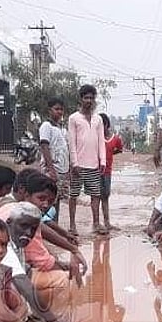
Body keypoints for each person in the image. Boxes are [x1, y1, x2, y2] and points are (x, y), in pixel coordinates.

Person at [0, 201, 82, 322]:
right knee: (22, 303)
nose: (28, 233)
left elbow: (26, 269)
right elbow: (27, 289)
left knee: (24, 293)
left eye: (33, 229)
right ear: (9, 223)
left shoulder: (15, 241)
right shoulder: (3, 248)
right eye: (23, 226)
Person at [0, 169, 87, 290]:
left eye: (50, 202)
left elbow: (42, 228)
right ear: (26, 195)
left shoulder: (11, 206)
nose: (46, 204)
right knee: (65, 279)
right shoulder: (24, 223)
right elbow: (43, 263)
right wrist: (69, 267)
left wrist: (71, 248)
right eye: (41, 198)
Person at [66, 84, 108, 234]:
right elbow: (72, 142)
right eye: (86, 98)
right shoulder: (73, 118)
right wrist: (74, 163)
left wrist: (103, 161)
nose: (89, 100)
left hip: (94, 165)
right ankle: (72, 225)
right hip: (79, 165)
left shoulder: (98, 119)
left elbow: (101, 141)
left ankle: (96, 223)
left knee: (95, 195)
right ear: (81, 99)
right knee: (74, 195)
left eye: (91, 98)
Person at [38, 98, 71, 218]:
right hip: (51, 171)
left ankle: (53, 227)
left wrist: (68, 170)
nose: (59, 112)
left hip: (61, 171)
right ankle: (46, 228)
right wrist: (51, 169)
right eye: (56, 109)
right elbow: (44, 146)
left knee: (56, 201)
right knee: (48, 201)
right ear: (49, 110)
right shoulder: (46, 126)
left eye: (61, 109)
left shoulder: (61, 129)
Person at [100, 113, 123, 232]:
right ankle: (97, 223)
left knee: (105, 196)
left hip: (107, 171)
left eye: (102, 125)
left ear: (107, 125)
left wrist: (109, 155)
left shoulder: (115, 139)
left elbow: (120, 149)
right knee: (95, 197)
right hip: (95, 170)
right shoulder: (95, 137)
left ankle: (106, 222)